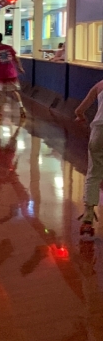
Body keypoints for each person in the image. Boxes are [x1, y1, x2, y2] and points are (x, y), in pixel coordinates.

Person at [74, 79, 103, 238]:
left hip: (99, 130)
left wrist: (81, 117)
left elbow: (79, 109)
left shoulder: (99, 85)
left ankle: (88, 217)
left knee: (94, 173)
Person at [0, 32, 25, 117]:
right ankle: (21, 107)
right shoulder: (9, 48)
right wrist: (20, 67)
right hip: (11, 73)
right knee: (14, 91)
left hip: (0, 74)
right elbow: (16, 58)